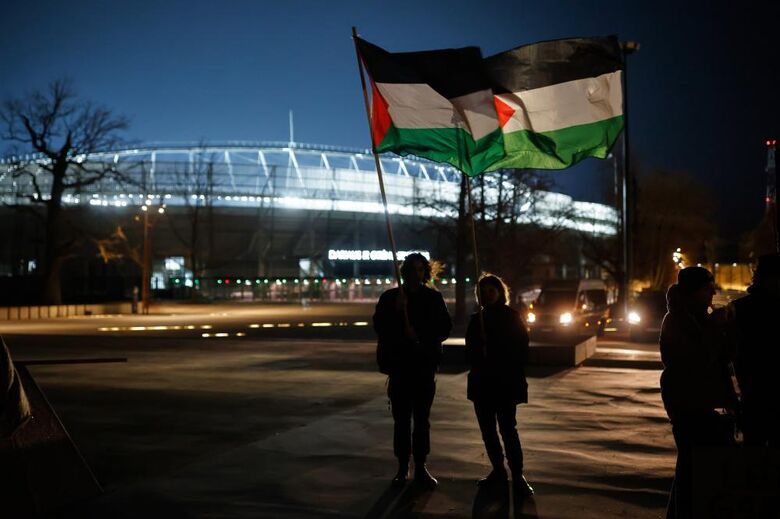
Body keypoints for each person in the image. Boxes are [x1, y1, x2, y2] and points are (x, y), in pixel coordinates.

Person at [659, 266, 738, 519]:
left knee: (691, 469)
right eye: (707, 287)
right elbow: (692, 361)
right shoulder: (677, 320)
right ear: (693, 292)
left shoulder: (697, 317)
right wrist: (715, 329)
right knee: (692, 469)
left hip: (697, 403)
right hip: (687, 405)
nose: (713, 291)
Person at [373, 253, 452, 488]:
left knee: (422, 420)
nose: (415, 274)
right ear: (404, 272)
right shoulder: (391, 298)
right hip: (399, 368)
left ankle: (420, 465)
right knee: (401, 420)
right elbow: (379, 327)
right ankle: (401, 467)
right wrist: (396, 312)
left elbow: (444, 328)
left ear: (425, 272)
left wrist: (419, 336)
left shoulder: (433, 298)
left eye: (420, 269)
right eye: (411, 269)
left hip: (423, 367)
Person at [466, 274, 534, 497]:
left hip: (504, 384)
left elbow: (522, 350)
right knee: (488, 431)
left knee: (507, 429)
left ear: (500, 292)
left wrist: (494, 349)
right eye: (483, 292)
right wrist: (479, 348)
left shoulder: (512, 317)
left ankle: (517, 474)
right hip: (482, 384)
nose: (487, 295)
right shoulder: (477, 320)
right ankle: (498, 470)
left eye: (491, 291)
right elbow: (470, 353)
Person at [730, 253, 780, 447]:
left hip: (752, 395)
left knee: (754, 457)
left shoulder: (740, 309)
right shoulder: (745, 309)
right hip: (761, 395)